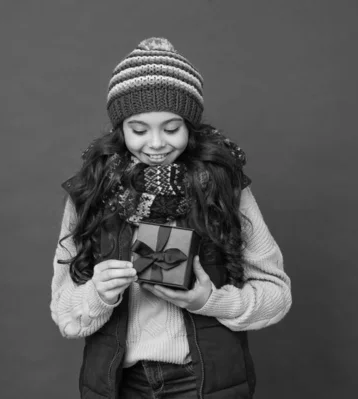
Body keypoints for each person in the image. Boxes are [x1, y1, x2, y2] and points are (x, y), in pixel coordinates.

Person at [50, 37, 292, 399]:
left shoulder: (225, 186)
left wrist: (207, 301)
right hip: (119, 384)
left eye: (172, 127)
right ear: (120, 127)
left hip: (204, 382)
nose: (157, 143)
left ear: (190, 126)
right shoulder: (91, 191)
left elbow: (277, 295)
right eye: (139, 129)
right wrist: (98, 293)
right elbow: (65, 314)